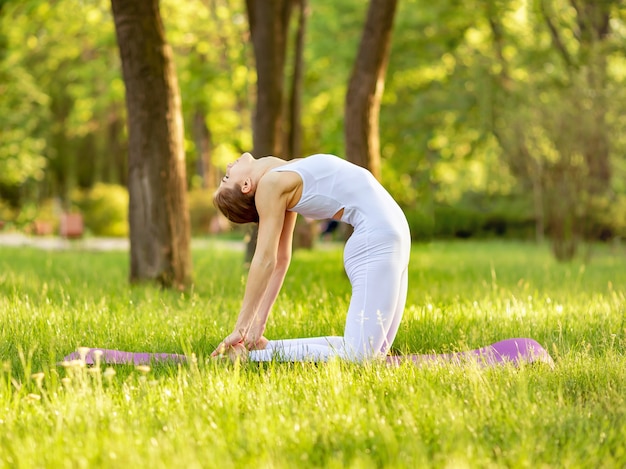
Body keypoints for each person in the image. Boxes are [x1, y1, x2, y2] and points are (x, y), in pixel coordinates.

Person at [210, 152, 411, 362]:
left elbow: (281, 259)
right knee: (360, 357)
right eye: (227, 178)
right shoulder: (271, 184)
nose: (228, 165)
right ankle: (244, 359)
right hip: (376, 241)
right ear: (245, 185)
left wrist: (258, 324)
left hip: (391, 238)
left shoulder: (281, 176)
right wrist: (242, 327)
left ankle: (260, 352)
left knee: (372, 353)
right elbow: (266, 260)